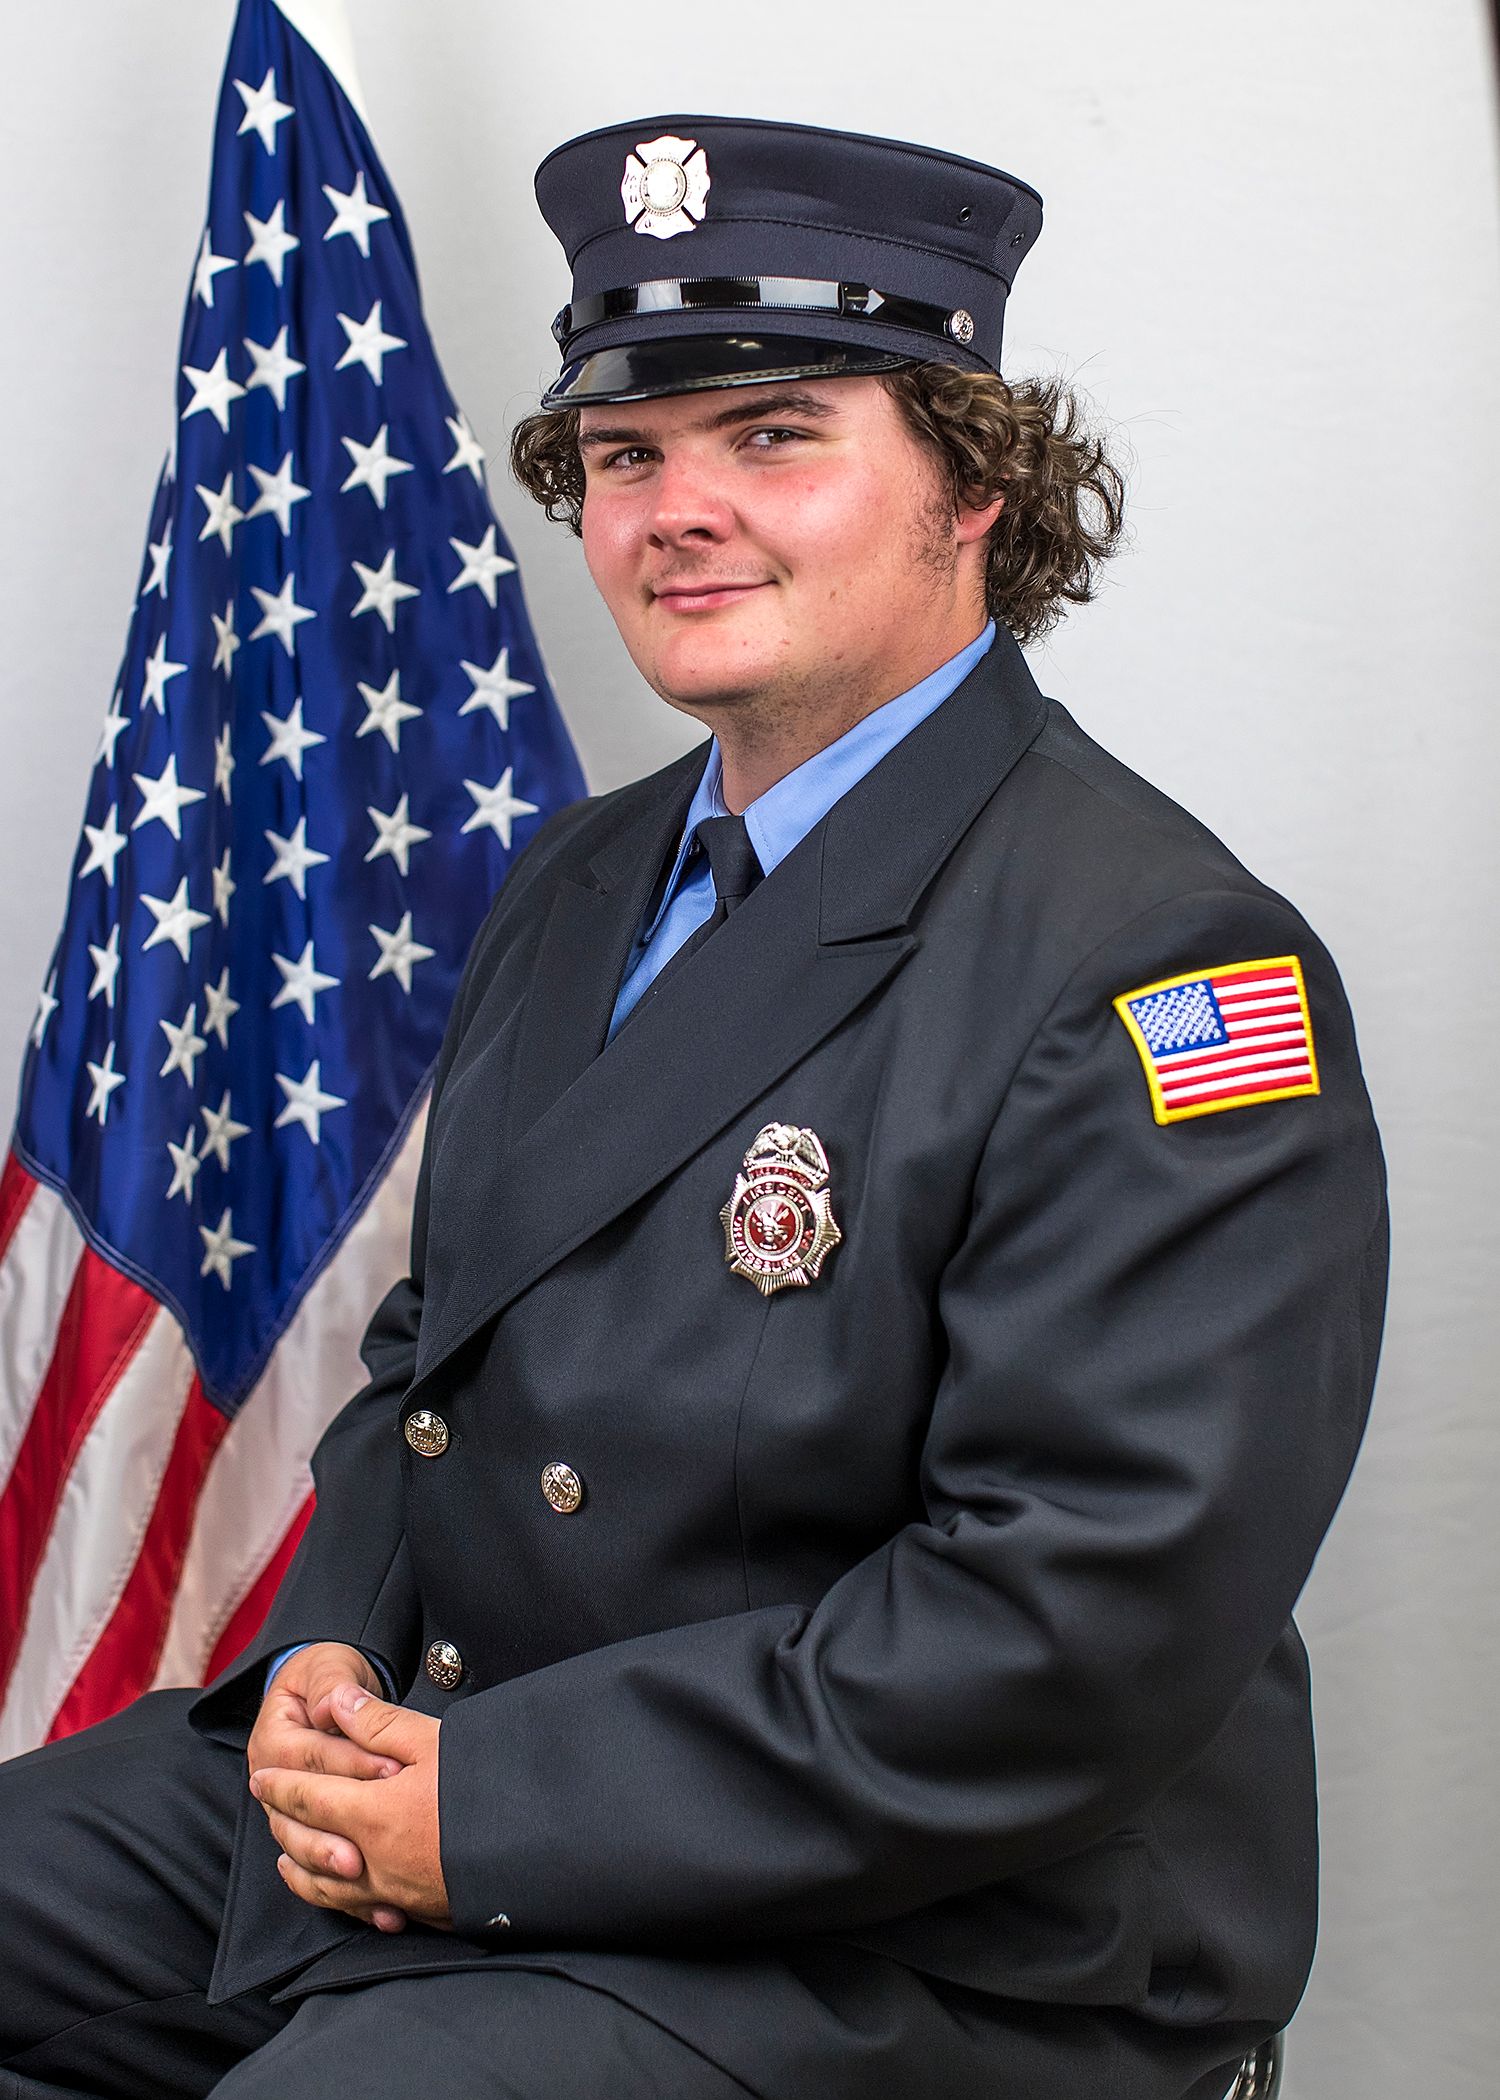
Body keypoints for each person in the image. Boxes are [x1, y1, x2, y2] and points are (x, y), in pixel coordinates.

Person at [0, 115, 1386, 2100]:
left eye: (775, 437)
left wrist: (491, 1809)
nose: (678, 511)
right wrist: (327, 1660)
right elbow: (429, 1363)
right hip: (471, 1751)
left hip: (929, 1920)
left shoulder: (1168, 969)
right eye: (627, 454)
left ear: (978, 482)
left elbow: (1077, 1620)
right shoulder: (581, 878)